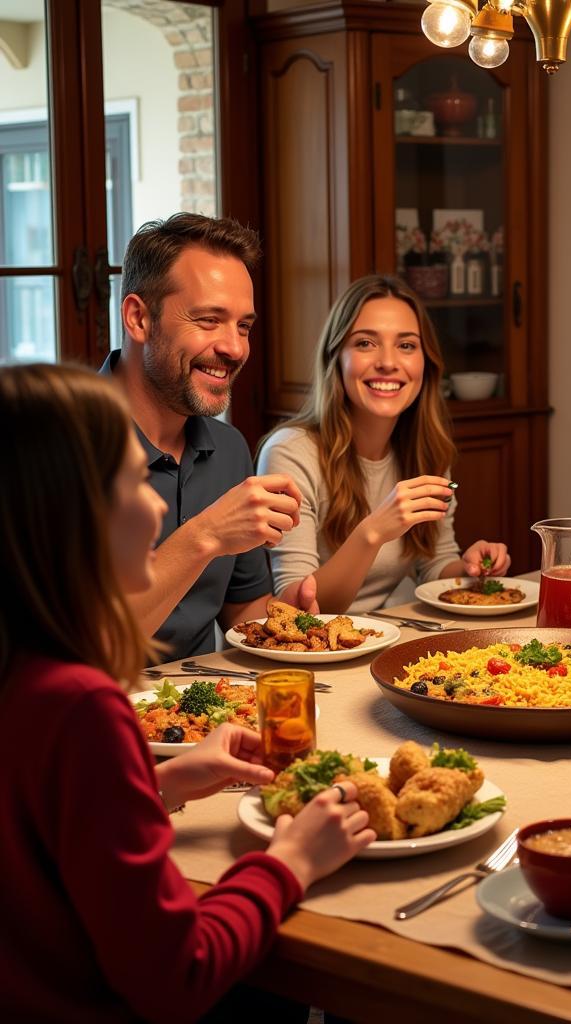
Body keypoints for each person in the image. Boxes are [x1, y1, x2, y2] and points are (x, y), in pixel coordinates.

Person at [0, 364, 374, 1021]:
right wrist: (290, 860)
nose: (155, 504)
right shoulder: (82, 705)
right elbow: (178, 973)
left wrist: (157, 785)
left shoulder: (24, 677)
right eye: (128, 482)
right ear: (62, 516)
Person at [103, 213, 317, 660]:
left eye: (243, 325)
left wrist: (282, 619)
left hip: (206, 712)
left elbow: (242, 614)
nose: (235, 348)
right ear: (139, 318)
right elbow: (88, 648)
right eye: (208, 320)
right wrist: (206, 535)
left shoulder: (229, 449)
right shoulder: (52, 446)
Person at [257, 274, 510, 612]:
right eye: (365, 343)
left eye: (406, 345)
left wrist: (469, 569)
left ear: (426, 363)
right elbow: (298, 609)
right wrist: (372, 533)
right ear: (336, 358)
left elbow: (433, 567)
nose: (388, 363)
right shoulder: (290, 452)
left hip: (387, 641)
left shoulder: (427, 450)